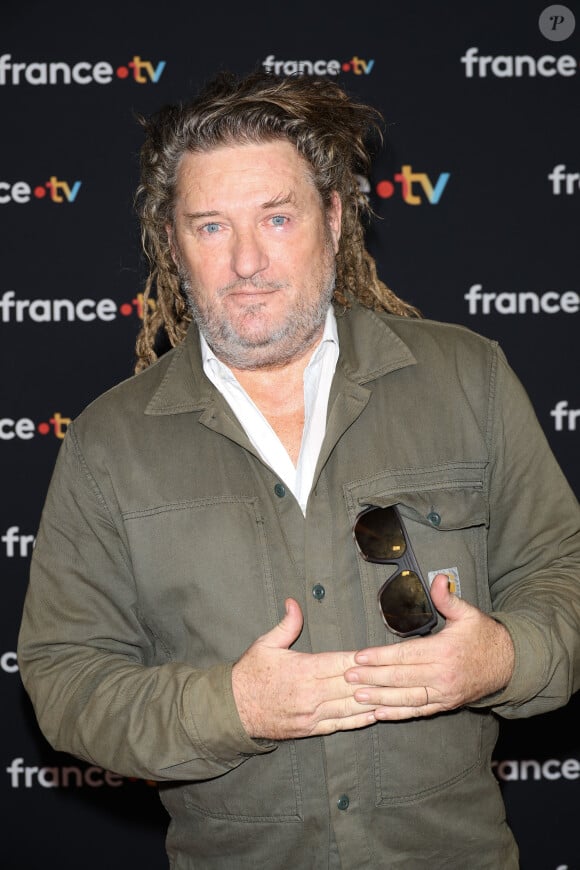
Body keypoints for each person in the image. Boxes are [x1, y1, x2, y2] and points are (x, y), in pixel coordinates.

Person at [18, 70, 580, 869]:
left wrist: (504, 658)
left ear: (334, 217)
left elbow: (564, 575)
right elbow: (65, 679)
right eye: (210, 227)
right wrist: (232, 706)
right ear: (172, 244)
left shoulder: (468, 379)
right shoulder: (110, 443)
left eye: (277, 218)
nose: (246, 261)